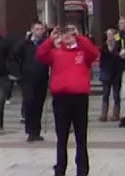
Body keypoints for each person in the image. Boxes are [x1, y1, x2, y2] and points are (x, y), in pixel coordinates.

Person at [37, 24, 100, 176]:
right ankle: (60, 169)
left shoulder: (83, 53)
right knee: (61, 137)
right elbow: (40, 55)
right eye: (64, 34)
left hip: (79, 98)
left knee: (81, 136)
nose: (67, 36)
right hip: (61, 99)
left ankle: (83, 170)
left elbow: (95, 52)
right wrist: (50, 40)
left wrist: (79, 37)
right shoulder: (56, 53)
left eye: (70, 34)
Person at [14, 22, 50, 142]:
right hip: (27, 79)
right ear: (32, 30)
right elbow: (15, 57)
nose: (39, 31)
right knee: (29, 102)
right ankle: (30, 131)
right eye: (37, 29)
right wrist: (19, 74)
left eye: (41, 29)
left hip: (42, 78)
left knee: (38, 105)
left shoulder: (46, 43)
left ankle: (36, 131)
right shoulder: (25, 43)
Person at [99, 28, 125, 122]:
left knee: (116, 95)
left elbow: (121, 59)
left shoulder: (118, 46)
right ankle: (103, 114)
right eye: (108, 35)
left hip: (116, 73)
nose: (109, 37)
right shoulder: (104, 46)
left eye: (111, 35)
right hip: (106, 72)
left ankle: (116, 114)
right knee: (105, 94)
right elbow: (101, 61)